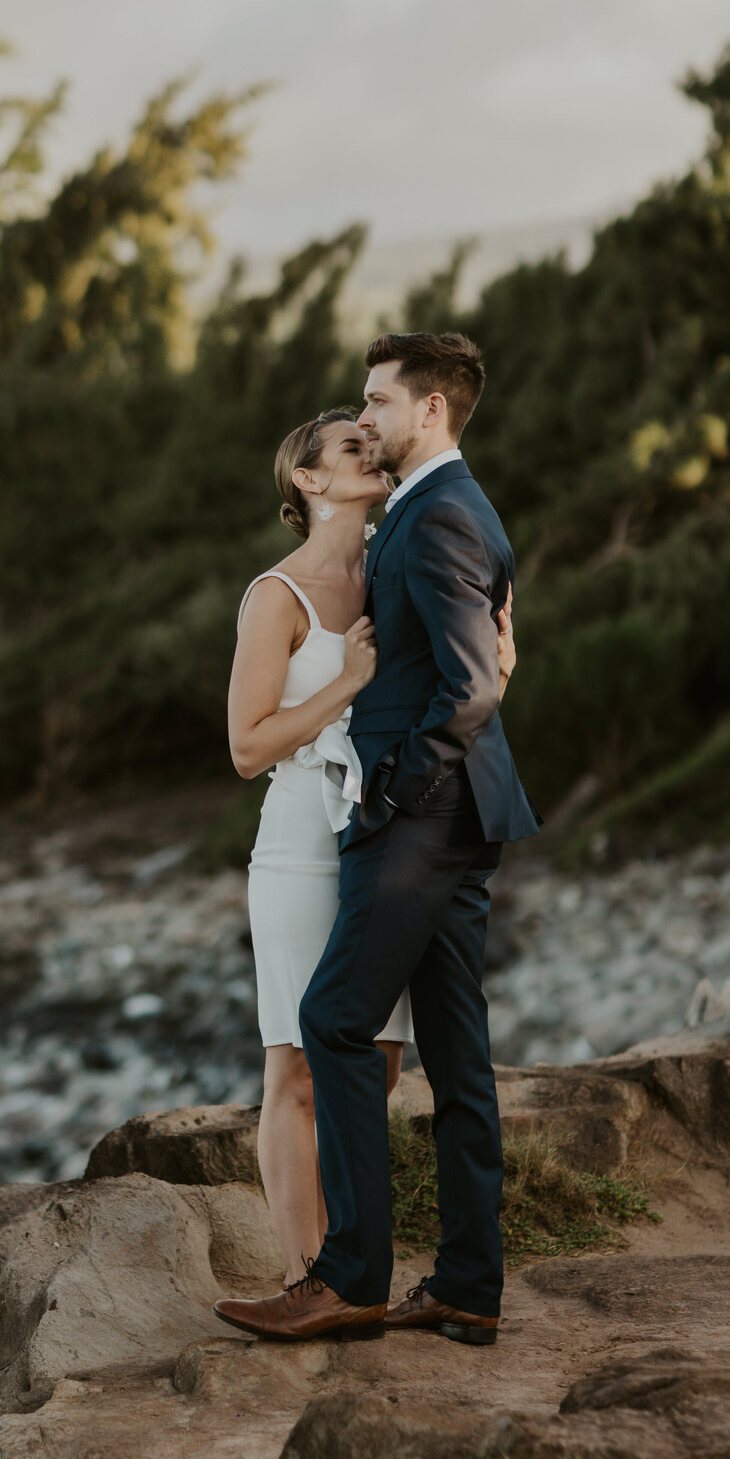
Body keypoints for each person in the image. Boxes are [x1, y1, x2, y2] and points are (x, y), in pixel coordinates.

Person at [215, 331, 538, 1345]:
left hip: (422, 814)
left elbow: (472, 681)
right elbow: (477, 654)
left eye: (377, 404)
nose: (367, 420)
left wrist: (394, 786)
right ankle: (467, 1281)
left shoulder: (434, 514)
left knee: (338, 1023)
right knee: (455, 1051)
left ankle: (349, 1273)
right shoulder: (438, 508)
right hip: (453, 815)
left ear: (428, 408)